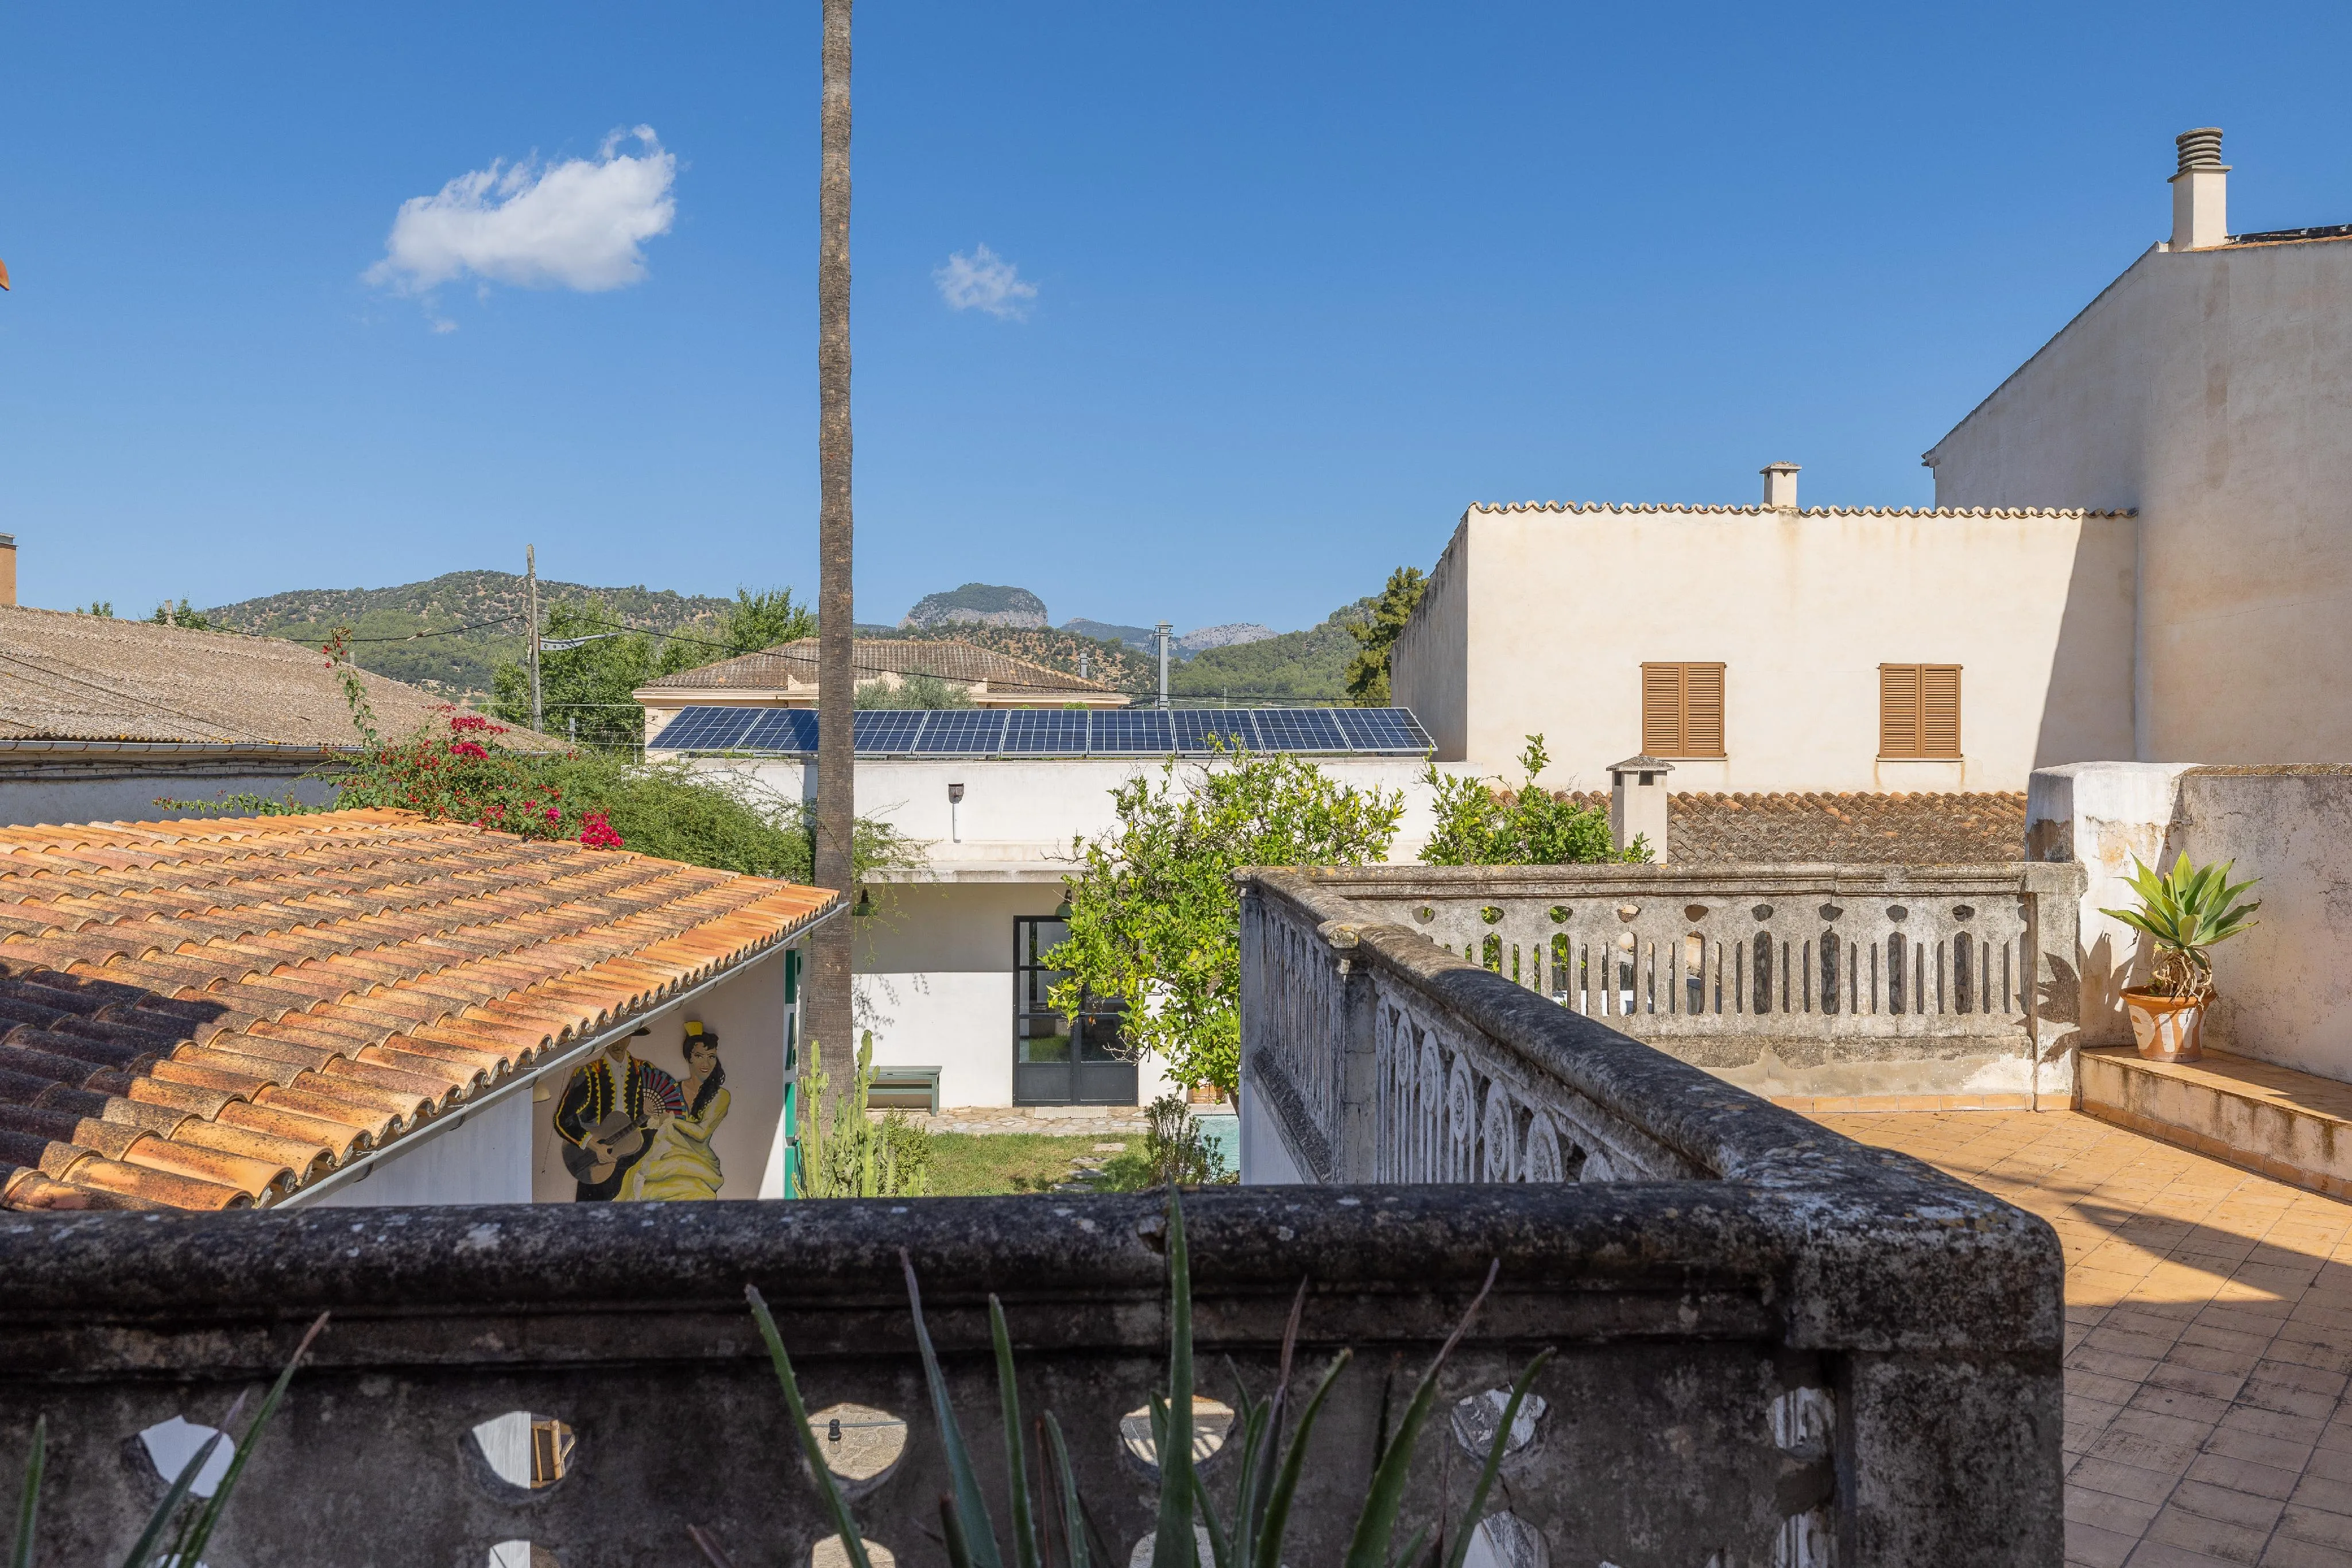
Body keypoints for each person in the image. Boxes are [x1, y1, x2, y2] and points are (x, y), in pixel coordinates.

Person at [554, 1025, 682, 1201]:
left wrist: (657, 1117)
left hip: (637, 1154)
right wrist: (595, 1146)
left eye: (624, 1036)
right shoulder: (588, 1074)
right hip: (595, 1160)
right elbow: (564, 1120)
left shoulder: (645, 1070)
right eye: (613, 1037)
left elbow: (655, 1118)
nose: (618, 1043)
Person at [628, 1021, 730, 1202]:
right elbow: (656, 1126)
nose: (706, 1063)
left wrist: (671, 1119)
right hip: (665, 1155)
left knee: (695, 1193)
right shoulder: (676, 1089)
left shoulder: (720, 1096)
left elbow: (701, 1133)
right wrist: (650, 1116)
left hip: (699, 1161)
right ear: (689, 1057)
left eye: (711, 1057)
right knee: (639, 1187)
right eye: (699, 1056)